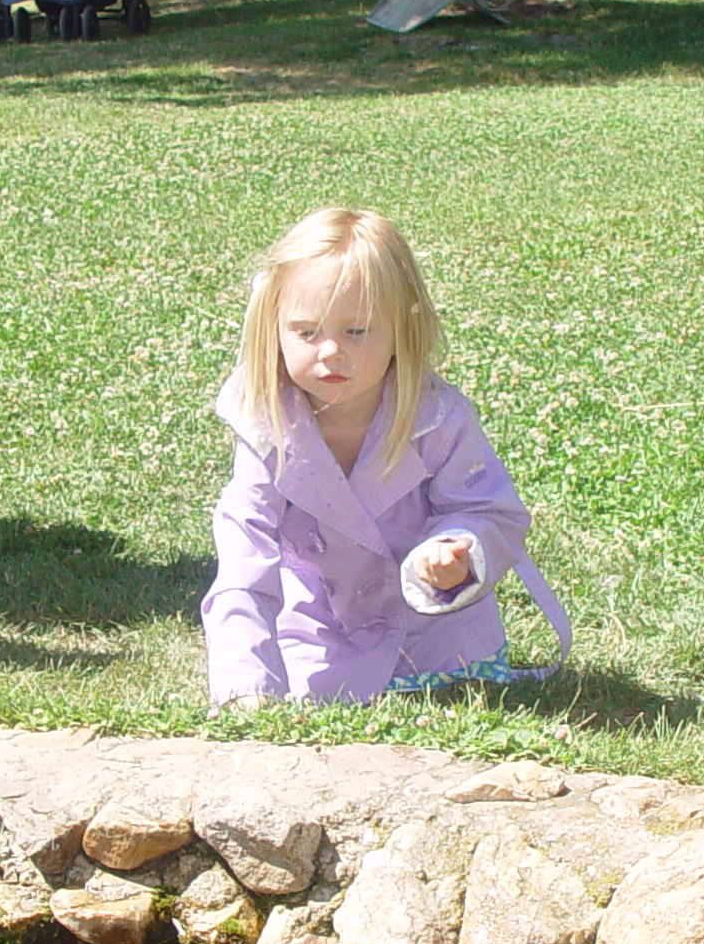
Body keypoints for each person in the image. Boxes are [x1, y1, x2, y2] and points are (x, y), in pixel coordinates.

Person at [202, 207, 568, 706]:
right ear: (274, 328)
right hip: (317, 631)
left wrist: (460, 550)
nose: (330, 351)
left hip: (438, 638)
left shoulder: (437, 418)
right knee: (308, 698)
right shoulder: (265, 424)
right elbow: (245, 554)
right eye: (306, 331)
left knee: (450, 693)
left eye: (357, 331)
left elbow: (491, 512)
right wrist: (248, 686)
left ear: (403, 327)